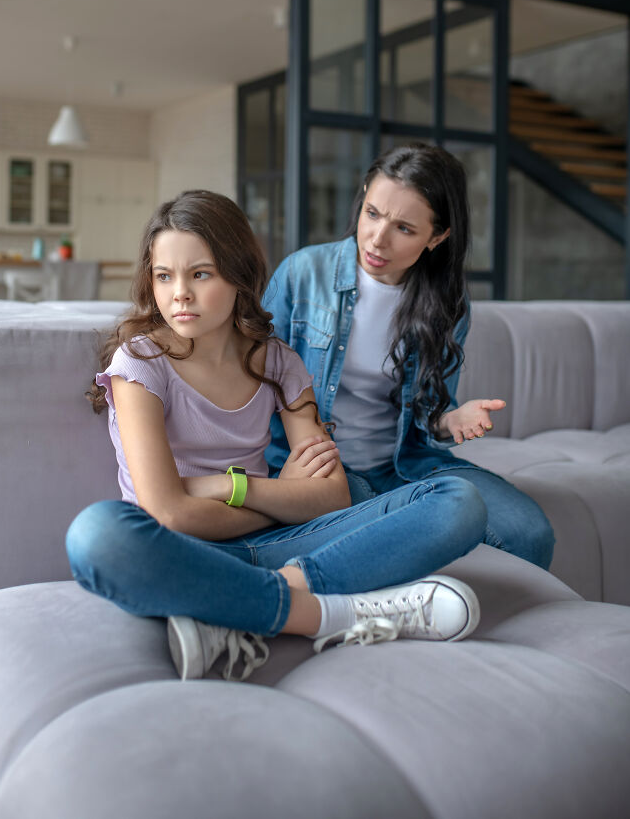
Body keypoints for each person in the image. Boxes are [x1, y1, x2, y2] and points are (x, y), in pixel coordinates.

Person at [66, 190, 487, 683]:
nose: (179, 292)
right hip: (183, 552)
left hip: (283, 544)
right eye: (164, 276)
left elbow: (330, 497)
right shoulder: (140, 363)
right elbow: (168, 515)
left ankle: (243, 601)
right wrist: (285, 494)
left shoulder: (280, 363)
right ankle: (327, 614)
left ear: (239, 274)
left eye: (200, 274)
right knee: (95, 534)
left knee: (458, 500)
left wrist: (230, 485)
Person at [263, 143, 555, 571]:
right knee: (393, 522)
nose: (377, 239)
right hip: (322, 469)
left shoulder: (448, 305)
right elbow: (254, 379)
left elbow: (429, 413)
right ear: (363, 196)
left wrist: (449, 420)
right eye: (373, 213)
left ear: (437, 237)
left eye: (404, 228)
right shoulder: (301, 274)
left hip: (404, 466)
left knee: (529, 534)